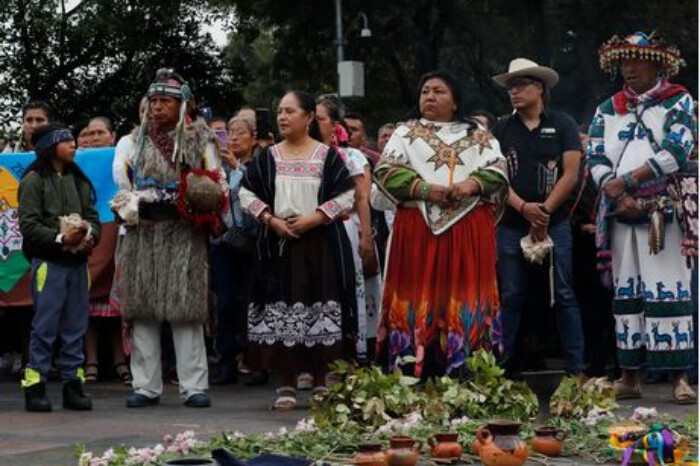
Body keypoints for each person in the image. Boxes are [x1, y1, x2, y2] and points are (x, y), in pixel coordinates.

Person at [374, 70, 509, 378]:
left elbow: (498, 171)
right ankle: (412, 372)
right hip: (418, 229)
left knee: (463, 296)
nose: (430, 96)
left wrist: (471, 185)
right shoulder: (405, 133)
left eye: (439, 91)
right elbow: (386, 171)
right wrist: (425, 189)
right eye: (425, 91)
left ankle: (468, 371)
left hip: (467, 231)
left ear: (455, 100)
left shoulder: (478, 136)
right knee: (417, 294)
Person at [588, 32, 696, 404]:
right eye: (623, 61)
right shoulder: (607, 108)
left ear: (658, 64)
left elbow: (677, 150)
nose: (628, 68)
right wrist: (613, 189)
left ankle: (679, 378)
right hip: (620, 211)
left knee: (670, 289)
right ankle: (629, 376)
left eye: (636, 60)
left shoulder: (678, 100)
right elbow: (595, 156)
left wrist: (630, 181)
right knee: (627, 290)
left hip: (664, 209)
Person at [114, 69, 227, 408]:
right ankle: (145, 386)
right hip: (143, 233)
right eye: (154, 101)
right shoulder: (132, 141)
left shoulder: (200, 138)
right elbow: (123, 187)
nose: (158, 107)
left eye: (166, 101)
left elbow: (217, 181)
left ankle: (193, 386)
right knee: (144, 309)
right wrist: (135, 203)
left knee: (185, 310)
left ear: (182, 105)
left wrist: (199, 195)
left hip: (183, 231)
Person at [239, 90, 356, 410]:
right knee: (283, 309)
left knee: (318, 308)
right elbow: (246, 193)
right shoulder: (268, 156)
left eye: (290, 111)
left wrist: (313, 219)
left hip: (319, 245)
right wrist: (271, 220)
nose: (282, 117)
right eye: (279, 111)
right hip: (278, 246)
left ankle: (320, 381)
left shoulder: (327, 156)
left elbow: (347, 195)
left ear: (308, 118)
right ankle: (287, 383)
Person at [492, 58, 585, 378]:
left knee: (564, 292)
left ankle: (576, 368)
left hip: (554, 221)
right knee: (511, 294)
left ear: (540, 88)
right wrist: (522, 207)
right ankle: (502, 367)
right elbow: (494, 176)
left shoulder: (563, 123)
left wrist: (543, 211)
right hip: (510, 221)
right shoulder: (501, 127)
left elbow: (570, 173)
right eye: (510, 88)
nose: (514, 92)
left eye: (521, 86)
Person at [18, 123, 101, 411]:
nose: (73, 145)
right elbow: (28, 225)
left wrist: (89, 237)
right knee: (45, 326)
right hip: (48, 264)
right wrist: (60, 238)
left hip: (78, 265)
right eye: (66, 141)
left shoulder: (78, 180)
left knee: (75, 327)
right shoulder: (32, 180)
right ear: (50, 147)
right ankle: (35, 385)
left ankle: (73, 386)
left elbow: (93, 216)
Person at [317, 96, 380, 362]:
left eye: (320, 119)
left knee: (347, 287)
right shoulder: (299, 153)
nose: (313, 123)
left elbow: (361, 198)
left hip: (345, 227)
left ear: (335, 126)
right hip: (312, 229)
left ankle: (351, 351)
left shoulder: (351, 156)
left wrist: (366, 235)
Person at [80, 116, 131, 386]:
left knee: (115, 307)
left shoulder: (122, 158)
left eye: (101, 132)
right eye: (91, 133)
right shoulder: (77, 161)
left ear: (112, 137)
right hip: (89, 230)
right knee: (88, 302)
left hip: (116, 231)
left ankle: (120, 360)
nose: (96, 137)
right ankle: (91, 362)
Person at [209, 114, 260, 385]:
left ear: (254, 139)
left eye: (241, 133)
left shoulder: (260, 164)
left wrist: (238, 167)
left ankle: (255, 360)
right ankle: (226, 361)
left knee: (252, 300)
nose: (235, 137)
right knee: (225, 302)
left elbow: (256, 193)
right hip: (223, 242)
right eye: (231, 132)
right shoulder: (218, 167)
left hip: (252, 242)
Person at [570, 124, 615, 377]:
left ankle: (621, 365)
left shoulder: (613, 167)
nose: (584, 145)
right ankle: (596, 362)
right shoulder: (574, 171)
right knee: (588, 306)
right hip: (583, 245)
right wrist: (581, 225)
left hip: (611, 242)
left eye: (586, 139)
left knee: (614, 306)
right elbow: (568, 205)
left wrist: (602, 224)